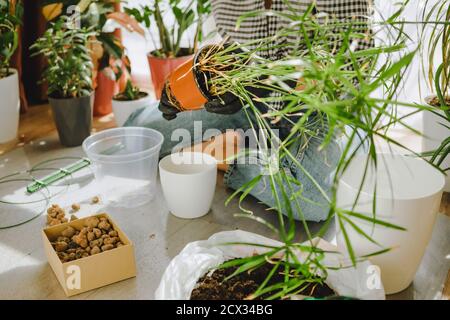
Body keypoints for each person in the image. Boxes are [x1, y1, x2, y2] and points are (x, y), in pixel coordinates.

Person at [125, 0, 373, 222]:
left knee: (307, 197)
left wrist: (266, 81)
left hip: (320, 106)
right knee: (139, 134)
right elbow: (236, 46)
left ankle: (224, 153)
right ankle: (251, 147)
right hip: (250, 97)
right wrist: (210, 74)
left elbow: (351, 62)